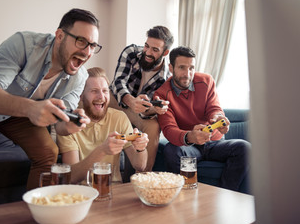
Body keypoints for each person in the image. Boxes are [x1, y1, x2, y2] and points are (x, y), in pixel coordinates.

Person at [0, 8, 101, 209]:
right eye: (81, 41)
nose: (87, 52)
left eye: (93, 45)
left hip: (18, 110)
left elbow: (62, 126)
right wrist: (31, 108)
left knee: (48, 153)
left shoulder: (80, 77)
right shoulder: (25, 44)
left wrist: (71, 125)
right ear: (60, 35)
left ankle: (36, 213)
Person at [154, 46, 251, 192]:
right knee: (171, 151)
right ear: (171, 68)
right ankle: (183, 196)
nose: (187, 74)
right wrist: (190, 136)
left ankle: (226, 193)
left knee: (245, 148)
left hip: (214, 144)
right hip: (189, 147)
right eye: (182, 67)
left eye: (191, 68)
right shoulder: (161, 94)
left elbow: (214, 108)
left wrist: (218, 118)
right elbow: (169, 129)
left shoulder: (206, 81)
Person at [57, 67, 148, 183]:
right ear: (80, 95)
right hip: (83, 194)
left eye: (105, 91)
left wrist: (141, 148)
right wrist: (102, 151)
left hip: (114, 190)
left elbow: (140, 166)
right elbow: (71, 178)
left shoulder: (119, 117)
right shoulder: (69, 125)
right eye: (94, 91)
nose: (101, 97)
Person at [108, 26, 173, 171]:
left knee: (153, 125)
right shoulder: (131, 53)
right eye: (146, 46)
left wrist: (153, 109)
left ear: (165, 52)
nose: (148, 53)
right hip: (115, 101)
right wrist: (131, 101)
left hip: (137, 113)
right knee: (101, 95)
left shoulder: (166, 79)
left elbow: (146, 112)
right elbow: (118, 82)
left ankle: (142, 177)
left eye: (155, 50)